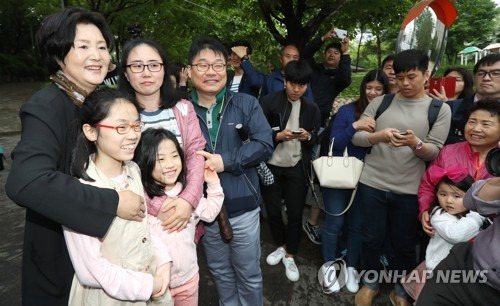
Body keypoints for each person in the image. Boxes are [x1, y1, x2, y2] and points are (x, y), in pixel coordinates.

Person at [5, 8, 145, 305]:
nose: (96, 55)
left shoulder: (99, 101)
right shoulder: (46, 106)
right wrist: (113, 202)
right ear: (58, 55)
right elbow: (26, 181)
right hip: (62, 259)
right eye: (83, 46)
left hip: (111, 255)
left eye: (102, 47)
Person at [351, 49, 451, 306]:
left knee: (404, 244)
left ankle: (401, 289)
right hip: (371, 183)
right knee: (371, 237)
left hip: (410, 189)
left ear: (426, 74)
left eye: (411, 76)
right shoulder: (380, 102)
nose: (405, 83)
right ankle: (369, 283)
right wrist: (378, 136)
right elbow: (358, 137)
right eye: (399, 77)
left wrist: (415, 143)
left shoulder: (438, 109)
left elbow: (434, 152)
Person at [65, 88, 173, 305]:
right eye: (121, 127)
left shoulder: (133, 169)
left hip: (152, 286)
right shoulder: (80, 191)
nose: (133, 134)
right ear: (91, 132)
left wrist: (163, 263)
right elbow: (91, 270)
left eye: (136, 125)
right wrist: (147, 285)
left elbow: (145, 224)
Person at [187, 36, 273, 305]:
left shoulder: (246, 103)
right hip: (204, 211)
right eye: (202, 65)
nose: (211, 71)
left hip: (243, 206)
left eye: (217, 65)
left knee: (249, 274)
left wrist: (225, 161)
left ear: (226, 68)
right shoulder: (180, 110)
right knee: (220, 272)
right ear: (189, 72)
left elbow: (264, 143)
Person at [119, 38, 206, 237]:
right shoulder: (118, 116)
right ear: (126, 73)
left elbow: (195, 154)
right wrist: (159, 206)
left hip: (185, 214)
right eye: (137, 66)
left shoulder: (184, 109)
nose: (146, 72)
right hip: (141, 222)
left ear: (163, 69)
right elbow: (120, 171)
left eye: (153, 65)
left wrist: (187, 201)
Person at [134, 128, 224, 305]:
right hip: (157, 284)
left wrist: (213, 182)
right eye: (160, 159)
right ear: (145, 162)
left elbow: (210, 212)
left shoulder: (187, 197)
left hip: (188, 279)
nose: (170, 164)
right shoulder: (142, 199)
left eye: (175, 156)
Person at [320, 69, 389, 294]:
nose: (373, 92)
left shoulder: (388, 114)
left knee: (357, 225)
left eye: (379, 89)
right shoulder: (348, 111)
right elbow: (335, 144)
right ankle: (330, 265)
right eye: (369, 87)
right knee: (335, 223)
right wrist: (355, 127)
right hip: (340, 174)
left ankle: (350, 267)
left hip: (369, 178)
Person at [260, 59, 321, 282]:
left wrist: (308, 136)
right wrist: (277, 136)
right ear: (284, 81)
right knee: (273, 211)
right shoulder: (269, 102)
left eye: (301, 85)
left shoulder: (311, 108)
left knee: (295, 213)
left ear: (306, 86)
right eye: (292, 84)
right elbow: (257, 133)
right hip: (272, 166)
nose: (296, 89)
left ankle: (290, 253)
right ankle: (280, 245)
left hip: (297, 167)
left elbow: (315, 137)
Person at [419, 99, 500, 236]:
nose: (476, 129)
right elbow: (428, 185)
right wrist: (425, 210)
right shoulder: (448, 152)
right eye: (472, 122)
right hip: (449, 229)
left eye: (486, 124)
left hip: (490, 236)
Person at [417, 177, 500, 305]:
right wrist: (478, 216)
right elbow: (456, 234)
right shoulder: (439, 215)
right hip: (441, 271)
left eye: (456, 196)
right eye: (443, 194)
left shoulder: (469, 216)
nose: (448, 200)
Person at [301, 27, 352, 124]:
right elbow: (305, 55)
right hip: (300, 113)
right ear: (324, 55)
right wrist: (323, 39)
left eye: (336, 53)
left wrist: (345, 52)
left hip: (319, 120)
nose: (331, 55)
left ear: (341, 58)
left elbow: (346, 80)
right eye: (329, 52)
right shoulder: (313, 68)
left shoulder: (338, 78)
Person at [447, 54, 500, 144]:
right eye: (481, 73)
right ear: (474, 78)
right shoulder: (451, 108)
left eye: (496, 74)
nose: (486, 78)